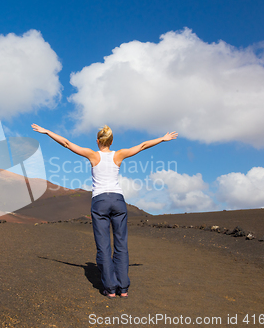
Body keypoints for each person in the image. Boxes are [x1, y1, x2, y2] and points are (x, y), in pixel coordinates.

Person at [32, 123, 178, 298]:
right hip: (118, 201)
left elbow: (67, 144)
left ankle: (110, 288)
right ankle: (123, 288)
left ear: (98, 141)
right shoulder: (119, 155)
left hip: (100, 201)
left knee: (103, 246)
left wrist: (48, 131)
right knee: (121, 244)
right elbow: (143, 145)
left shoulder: (93, 155)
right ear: (111, 141)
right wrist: (162, 138)